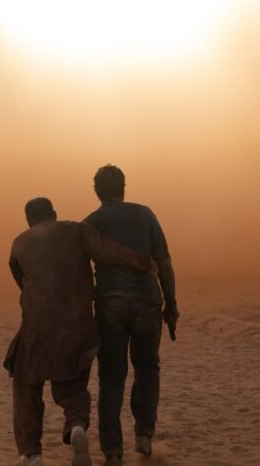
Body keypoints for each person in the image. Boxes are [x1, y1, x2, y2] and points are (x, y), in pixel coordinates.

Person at [4, 197, 151, 466]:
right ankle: (77, 427)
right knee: (72, 385)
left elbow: (22, 282)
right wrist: (140, 260)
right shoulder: (77, 230)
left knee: (26, 384)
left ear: (28, 221)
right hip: (78, 325)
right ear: (55, 213)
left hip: (37, 328)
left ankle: (32, 453)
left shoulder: (19, 242)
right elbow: (109, 250)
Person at [84, 165, 178, 464]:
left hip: (111, 303)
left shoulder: (91, 223)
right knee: (148, 367)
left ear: (97, 191)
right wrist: (171, 304)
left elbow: (78, 269)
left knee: (112, 376)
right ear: (123, 187)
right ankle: (144, 436)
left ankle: (112, 450)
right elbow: (163, 260)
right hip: (147, 302)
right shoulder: (145, 214)